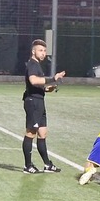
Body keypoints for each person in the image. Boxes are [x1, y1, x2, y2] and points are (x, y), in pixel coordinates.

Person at [22, 39, 65, 174]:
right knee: (31, 133)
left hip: (39, 101)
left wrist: (47, 88)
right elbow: (33, 80)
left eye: (45, 51)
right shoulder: (32, 64)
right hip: (33, 102)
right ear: (33, 51)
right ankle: (28, 166)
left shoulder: (37, 65)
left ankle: (47, 164)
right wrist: (52, 79)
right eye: (40, 50)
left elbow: (38, 85)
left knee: (42, 133)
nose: (43, 53)